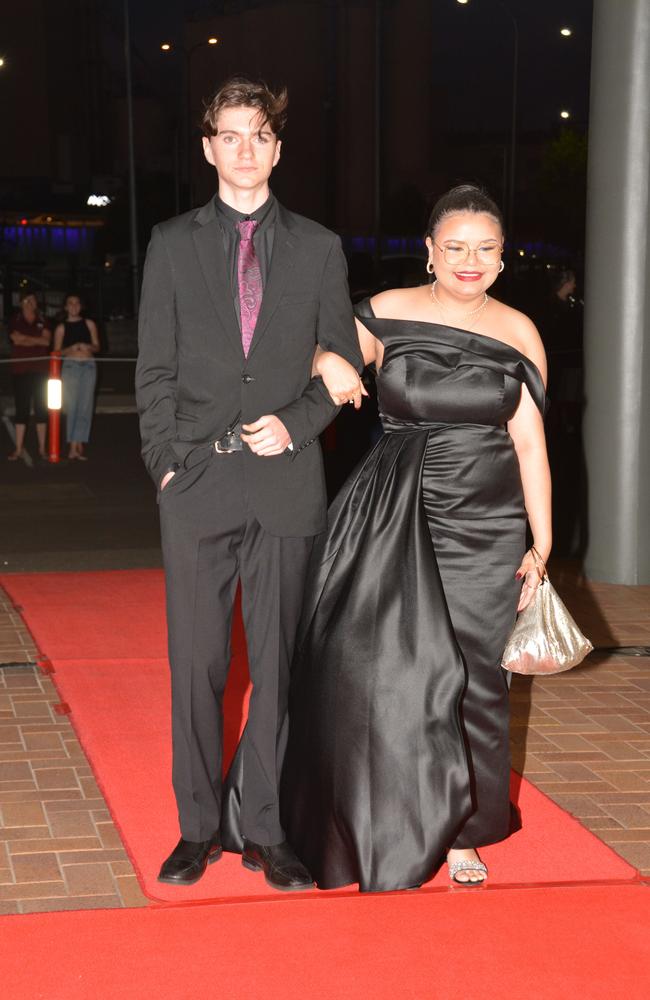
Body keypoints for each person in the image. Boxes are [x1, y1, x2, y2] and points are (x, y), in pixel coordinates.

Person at [281, 184, 552, 892]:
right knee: (377, 670)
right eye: (455, 247)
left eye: (484, 249)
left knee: (477, 683)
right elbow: (317, 355)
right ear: (430, 252)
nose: (470, 260)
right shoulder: (386, 312)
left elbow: (530, 447)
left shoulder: (521, 332)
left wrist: (541, 545)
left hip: (488, 525)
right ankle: (379, 814)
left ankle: (466, 833)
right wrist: (327, 360)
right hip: (393, 509)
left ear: (502, 258)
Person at [135, 77, 363, 891]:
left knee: (278, 666)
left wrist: (297, 424)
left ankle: (265, 828)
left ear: (276, 146)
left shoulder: (319, 248)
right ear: (208, 148)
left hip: (286, 486)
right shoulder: (170, 242)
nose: (244, 149)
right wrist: (165, 459)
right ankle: (198, 828)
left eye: (258, 134)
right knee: (195, 666)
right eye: (229, 135)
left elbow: (339, 363)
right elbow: (153, 368)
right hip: (196, 484)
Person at [53, 294, 100, 460]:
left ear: (80, 306)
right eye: (70, 303)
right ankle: (73, 446)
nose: (73, 306)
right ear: (65, 307)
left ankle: (78, 441)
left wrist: (87, 346)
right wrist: (71, 348)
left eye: (76, 303)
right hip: (71, 368)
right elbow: (57, 353)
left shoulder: (89, 324)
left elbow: (97, 346)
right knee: (72, 407)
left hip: (88, 367)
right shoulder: (61, 328)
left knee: (85, 407)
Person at [7, 292, 51, 460]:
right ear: (21, 303)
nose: (30, 303)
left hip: (40, 370)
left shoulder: (43, 320)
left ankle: (42, 449)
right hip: (20, 370)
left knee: (41, 408)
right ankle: (18, 449)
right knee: (22, 409)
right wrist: (35, 339)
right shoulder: (14, 320)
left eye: (32, 300)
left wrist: (25, 339)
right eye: (26, 300)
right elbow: (15, 340)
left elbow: (46, 342)